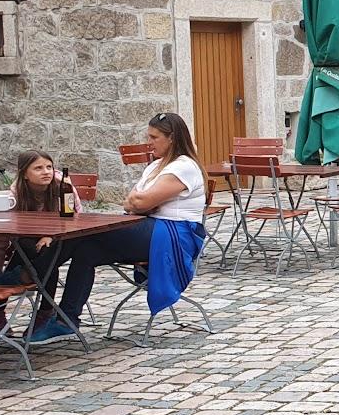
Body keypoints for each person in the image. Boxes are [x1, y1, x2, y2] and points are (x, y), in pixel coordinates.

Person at [29, 112, 206, 344]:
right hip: (149, 226)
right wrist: (140, 202)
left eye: (154, 137)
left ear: (171, 138)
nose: (149, 142)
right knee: (86, 251)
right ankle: (66, 320)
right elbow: (130, 202)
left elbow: (140, 202)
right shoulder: (155, 166)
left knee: (85, 231)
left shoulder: (183, 166)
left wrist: (140, 202)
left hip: (173, 236)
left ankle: (28, 273)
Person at [0, 150, 84, 329]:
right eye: (38, 168)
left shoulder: (63, 186)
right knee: (27, 247)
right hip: (27, 242)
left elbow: (76, 219)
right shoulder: (16, 194)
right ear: (25, 174)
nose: (46, 172)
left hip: (61, 238)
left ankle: (1, 305)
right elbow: (2, 237)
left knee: (46, 254)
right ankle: (44, 311)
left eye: (49, 167)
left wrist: (51, 236)